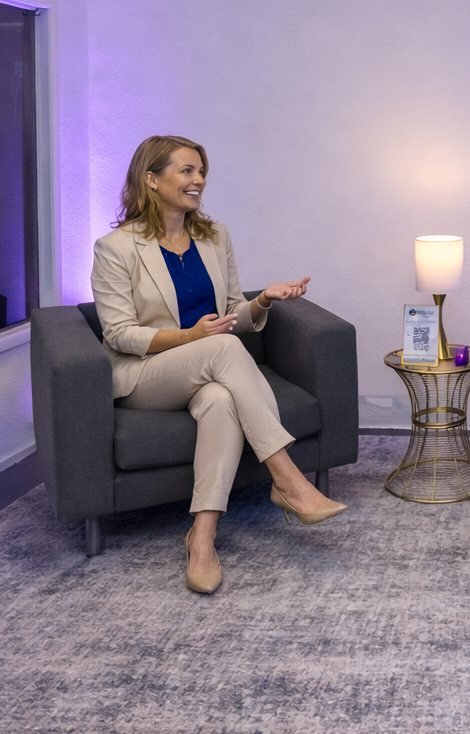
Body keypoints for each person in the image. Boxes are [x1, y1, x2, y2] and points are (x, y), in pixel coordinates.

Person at [92, 135, 346, 595]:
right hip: (146, 374)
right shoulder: (115, 248)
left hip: (208, 369)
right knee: (226, 351)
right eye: (187, 171)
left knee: (219, 398)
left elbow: (234, 314)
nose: (199, 180)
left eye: (201, 171)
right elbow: (119, 334)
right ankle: (286, 477)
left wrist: (263, 300)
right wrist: (190, 336)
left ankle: (202, 538)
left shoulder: (214, 237)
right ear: (151, 179)